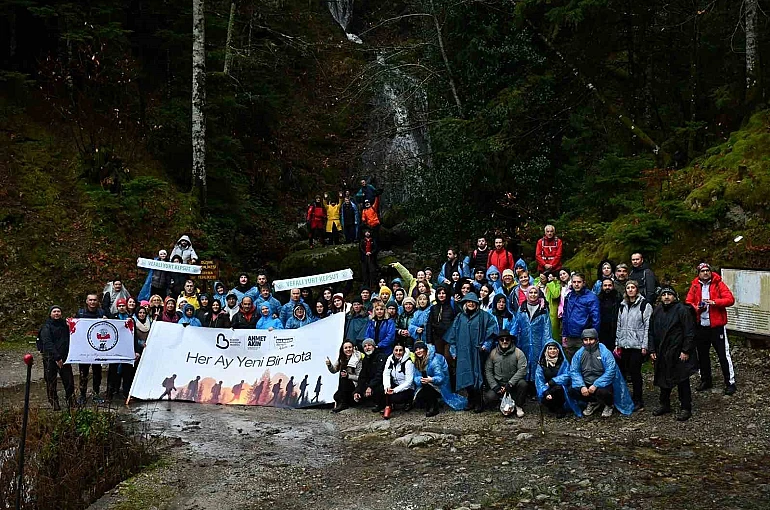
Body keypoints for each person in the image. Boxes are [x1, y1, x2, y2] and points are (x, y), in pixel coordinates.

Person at [685, 263, 737, 395]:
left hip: (717, 326)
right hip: (701, 326)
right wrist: (696, 307)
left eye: (707, 270)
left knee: (723, 354)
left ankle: (730, 382)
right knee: (702, 355)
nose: (705, 273)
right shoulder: (695, 285)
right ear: (699, 274)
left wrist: (715, 302)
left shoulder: (718, 283)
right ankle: (706, 380)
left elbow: (730, 299)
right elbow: (688, 302)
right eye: (702, 271)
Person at [444, 292, 499, 412]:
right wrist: (453, 351)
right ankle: (470, 400)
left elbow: (492, 330)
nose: (471, 304)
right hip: (463, 352)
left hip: (477, 352)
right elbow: (452, 334)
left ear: (476, 303)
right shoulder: (460, 317)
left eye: (473, 302)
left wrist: (486, 344)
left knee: (477, 376)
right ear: (465, 303)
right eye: (468, 302)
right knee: (465, 376)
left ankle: (479, 402)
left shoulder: (484, 316)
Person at [649, 287, 697, 421]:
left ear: (674, 296)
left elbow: (690, 332)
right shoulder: (657, 310)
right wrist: (652, 349)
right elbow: (651, 331)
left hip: (678, 351)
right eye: (664, 294)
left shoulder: (682, 310)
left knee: (682, 379)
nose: (666, 297)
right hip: (662, 351)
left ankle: (686, 407)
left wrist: (686, 350)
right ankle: (664, 404)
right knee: (663, 378)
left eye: (669, 294)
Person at [569, 328, 633, 417]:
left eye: (591, 339)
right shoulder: (579, 354)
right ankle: (593, 402)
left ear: (596, 340)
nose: (588, 342)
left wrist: (596, 384)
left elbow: (610, 371)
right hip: (586, 382)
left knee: (603, 393)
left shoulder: (605, 353)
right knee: (572, 390)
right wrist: (581, 385)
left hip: (603, 384)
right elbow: (574, 371)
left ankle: (609, 405)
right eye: (585, 340)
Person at [616, 280, 652, 412]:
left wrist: (645, 345)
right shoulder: (622, 305)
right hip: (624, 344)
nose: (630, 290)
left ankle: (638, 399)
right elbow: (619, 326)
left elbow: (648, 326)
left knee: (635, 373)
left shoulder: (644, 305)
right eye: (628, 288)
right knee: (625, 372)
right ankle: (626, 398)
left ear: (637, 289)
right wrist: (617, 343)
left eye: (633, 287)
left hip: (637, 344)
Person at [413, 341, 467, 416]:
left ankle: (434, 408)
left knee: (427, 388)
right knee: (420, 398)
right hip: (425, 383)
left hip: (439, 386)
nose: (418, 351)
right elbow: (415, 377)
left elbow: (441, 378)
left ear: (425, 349)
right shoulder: (417, 361)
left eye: (420, 349)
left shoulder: (435, 360)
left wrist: (431, 379)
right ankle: (431, 403)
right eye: (416, 350)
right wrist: (421, 379)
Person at [484, 330, 528, 417]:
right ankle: (502, 402)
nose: (504, 341)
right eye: (502, 339)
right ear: (498, 341)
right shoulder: (493, 353)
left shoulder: (518, 352)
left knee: (523, 384)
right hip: (499, 384)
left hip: (513, 384)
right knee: (489, 397)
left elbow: (522, 370)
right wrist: (495, 386)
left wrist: (510, 383)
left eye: (507, 339)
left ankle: (518, 405)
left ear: (511, 340)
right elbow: (488, 371)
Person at [514, 286, 552, 385]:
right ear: (527, 294)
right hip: (524, 341)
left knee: (537, 363)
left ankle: (536, 385)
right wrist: (512, 338)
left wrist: (547, 343)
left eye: (535, 292)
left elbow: (547, 327)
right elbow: (516, 324)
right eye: (531, 292)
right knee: (524, 362)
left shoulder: (543, 309)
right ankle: (525, 385)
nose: (533, 295)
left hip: (538, 342)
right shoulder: (521, 308)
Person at [74, 294, 108, 405]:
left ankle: (96, 394)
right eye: (90, 300)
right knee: (83, 373)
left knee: (97, 373)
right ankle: (82, 395)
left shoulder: (102, 313)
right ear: (87, 301)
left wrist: (107, 321)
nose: (92, 302)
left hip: (97, 349)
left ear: (97, 301)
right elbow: (74, 328)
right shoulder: (80, 313)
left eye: (94, 300)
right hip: (84, 349)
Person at [40, 305, 75, 410]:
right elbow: (47, 342)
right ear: (50, 314)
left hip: (65, 357)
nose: (56, 313)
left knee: (69, 380)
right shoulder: (46, 326)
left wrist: (72, 324)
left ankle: (71, 400)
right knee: (51, 381)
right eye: (54, 311)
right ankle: (54, 401)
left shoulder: (65, 325)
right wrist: (57, 357)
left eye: (58, 311)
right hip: (50, 357)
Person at [535, 340, 582, 418]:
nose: (552, 351)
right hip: (547, 391)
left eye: (554, 349)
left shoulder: (563, 362)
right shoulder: (541, 364)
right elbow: (539, 381)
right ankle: (553, 406)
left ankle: (560, 408)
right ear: (546, 350)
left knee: (559, 388)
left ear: (558, 350)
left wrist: (552, 382)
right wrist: (545, 392)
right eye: (550, 349)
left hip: (561, 390)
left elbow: (567, 375)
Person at [561, 273, 600, 361]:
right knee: (570, 361)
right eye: (574, 282)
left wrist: (594, 336)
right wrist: (564, 334)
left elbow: (595, 318)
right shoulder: (569, 296)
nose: (576, 284)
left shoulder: (591, 297)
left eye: (579, 282)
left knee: (585, 360)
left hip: (584, 336)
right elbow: (565, 316)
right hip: (570, 335)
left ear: (584, 283)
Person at [326, 340, 363, 412]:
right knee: (336, 397)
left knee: (344, 378)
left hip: (355, 385)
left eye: (350, 347)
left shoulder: (358, 359)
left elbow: (360, 378)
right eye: (346, 348)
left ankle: (344, 404)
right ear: (343, 350)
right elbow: (334, 370)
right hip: (344, 386)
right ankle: (344, 402)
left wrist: (348, 376)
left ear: (353, 348)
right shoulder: (341, 358)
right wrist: (329, 365)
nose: (348, 349)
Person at [380, 344, 415, 418]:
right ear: (393, 351)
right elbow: (386, 373)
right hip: (395, 383)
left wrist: (395, 390)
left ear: (404, 351)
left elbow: (409, 382)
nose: (398, 353)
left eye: (400, 350)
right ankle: (388, 406)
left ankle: (409, 401)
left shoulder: (408, 362)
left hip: (407, 388)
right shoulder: (390, 359)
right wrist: (387, 386)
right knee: (381, 390)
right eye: (396, 350)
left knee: (396, 397)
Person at [597, 278, 621, 351]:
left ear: (613, 286)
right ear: (602, 287)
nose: (607, 287)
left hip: (615, 330)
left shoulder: (619, 298)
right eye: (605, 285)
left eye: (609, 285)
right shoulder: (597, 299)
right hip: (602, 331)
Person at [544, 271, 562, 341]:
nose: (549, 278)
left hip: (553, 314)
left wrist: (551, 283)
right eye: (548, 277)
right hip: (546, 312)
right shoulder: (547, 285)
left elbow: (555, 295)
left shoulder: (556, 284)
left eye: (551, 277)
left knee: (554, 335)